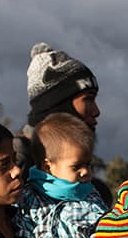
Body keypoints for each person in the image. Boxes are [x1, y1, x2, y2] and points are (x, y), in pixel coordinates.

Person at [21, 42, 109, 205]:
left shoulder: (91, 190)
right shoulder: (16, 164)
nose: (96, 111)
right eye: (88, 99)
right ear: (57, 103)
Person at [14, 112, 106, 238]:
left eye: (88, 164)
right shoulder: (29, 197)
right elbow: (23, 234)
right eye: (76, 167)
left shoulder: (90, 197)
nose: (86, 171)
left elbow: (104, 234)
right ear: (48, 166)